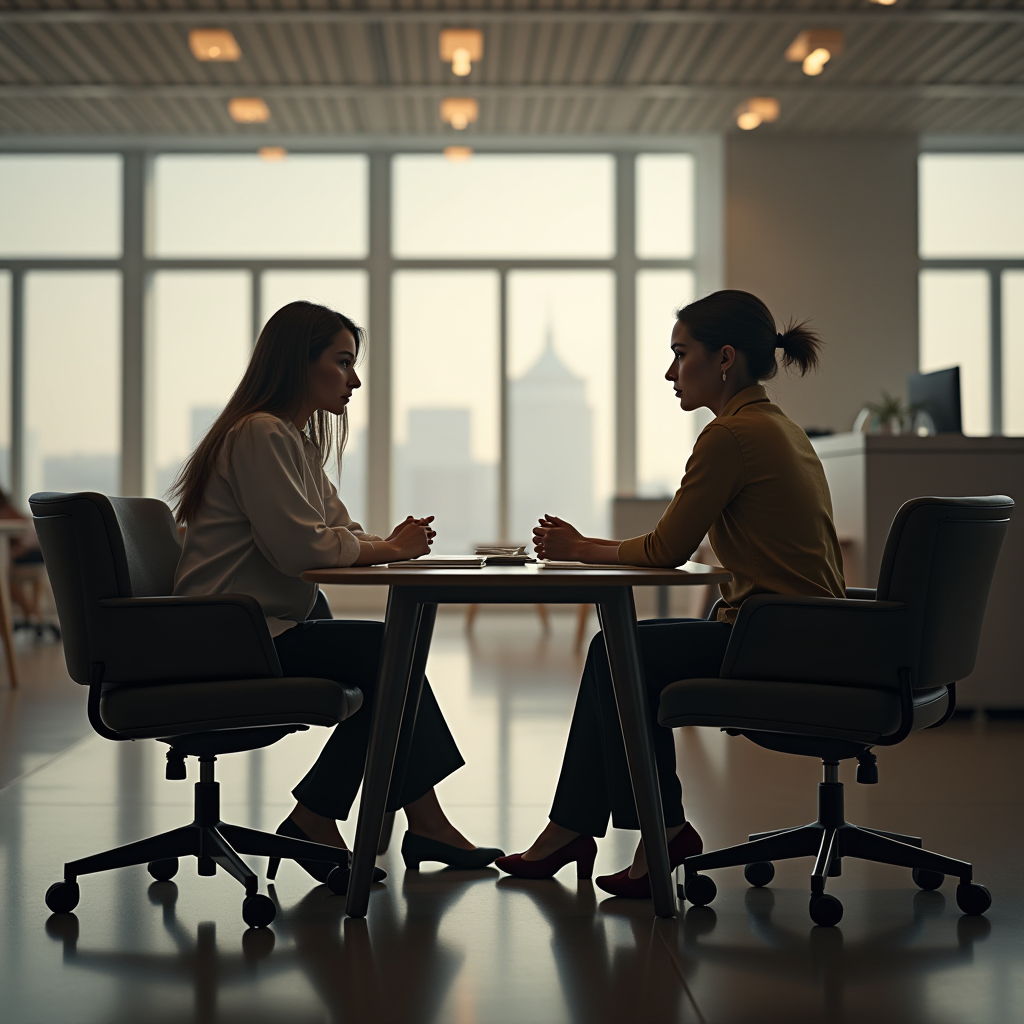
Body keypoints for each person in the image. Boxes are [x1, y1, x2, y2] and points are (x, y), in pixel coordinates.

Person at [495, 289, 846, 897]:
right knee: (618, 649)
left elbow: (664, 551)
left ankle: (645, 831)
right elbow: (679, 543)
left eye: (681, 354)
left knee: (618, 652)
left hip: (777, 642)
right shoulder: (776, 428)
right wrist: (589, 546)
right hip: (811, 634)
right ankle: (590, 828)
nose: (669, 370)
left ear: (726, 358)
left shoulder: (730, 437)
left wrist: (580, 549)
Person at [173, 300, 502, 881]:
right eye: (343, 362)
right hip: (228, 639)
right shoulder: (260, 435)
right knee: (386, 654)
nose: (353, 379)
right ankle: (363, 820)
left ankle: (358, 821)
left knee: (386, 658)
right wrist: (390, 550)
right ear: (299, 364)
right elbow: (303, 549)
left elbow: (337, 530)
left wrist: (387, 545)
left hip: (253, 630)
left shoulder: (292, 441)